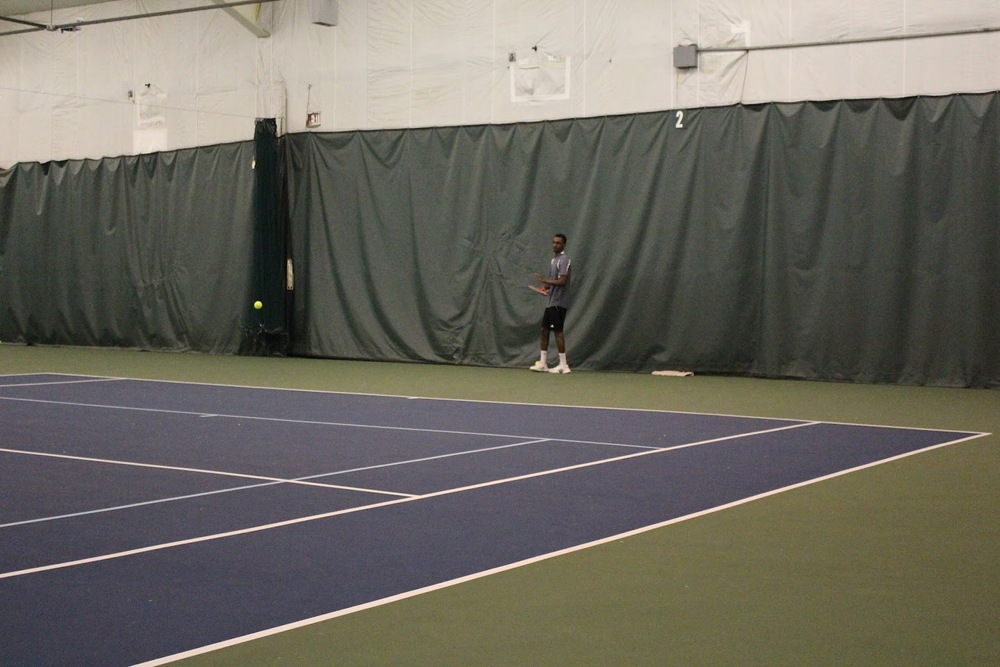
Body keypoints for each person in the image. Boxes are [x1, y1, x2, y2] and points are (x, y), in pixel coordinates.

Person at [530, 233, 572, 374]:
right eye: (553, 242)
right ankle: (543, 364)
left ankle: (563, 365)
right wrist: (545, 288)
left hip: (558, 303)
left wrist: (545, 281)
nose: (555, 245)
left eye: (558, 243)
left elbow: (562, 280)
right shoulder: (554, 260)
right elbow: (554, 280)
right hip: (551, 303)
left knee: (558, 332)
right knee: (544, 330)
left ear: (563, 245)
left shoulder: (564, 260)